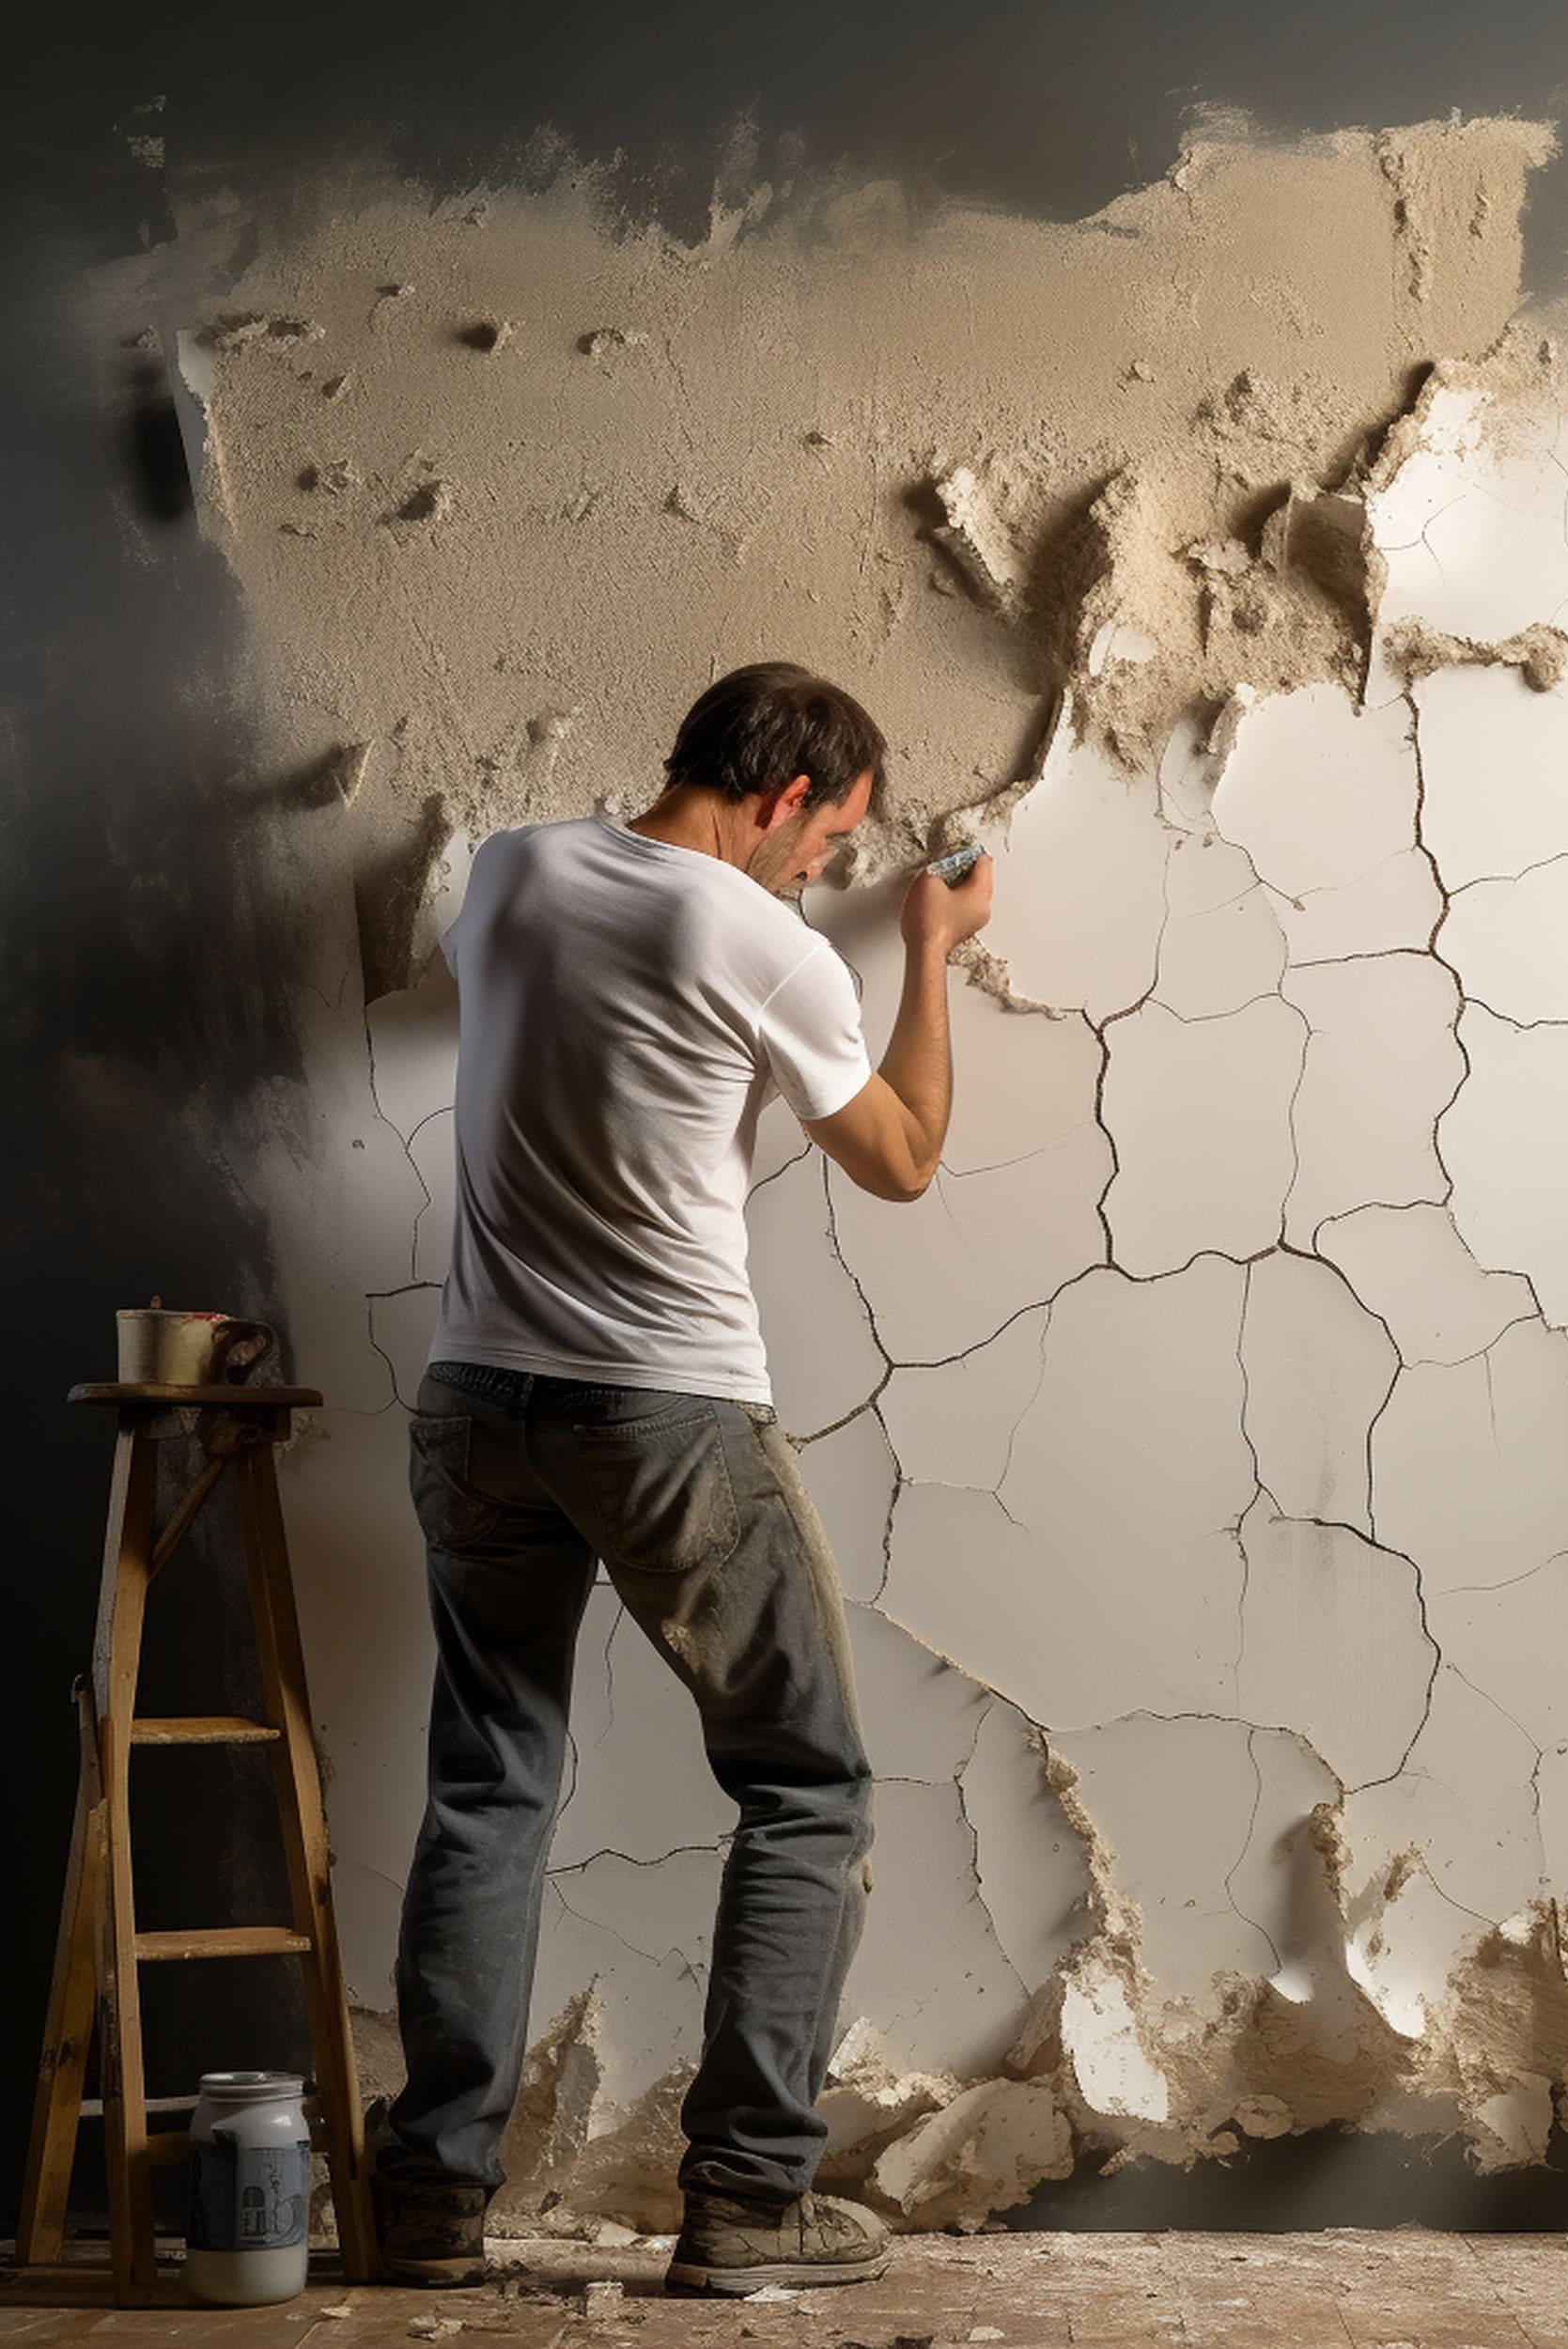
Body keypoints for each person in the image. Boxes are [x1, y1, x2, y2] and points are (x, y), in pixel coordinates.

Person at [366, 661, 992, 2295]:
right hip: (660, 1412)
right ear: (783, 794)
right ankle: (746, 2201)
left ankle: (428, 2204)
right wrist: (928, 955)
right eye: (829, 840)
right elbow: (906, 1161)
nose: (824, 875)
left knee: (490, 1783)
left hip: (474, 1396)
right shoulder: (758, 941)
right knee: (807, 1784)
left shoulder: (512, 869)